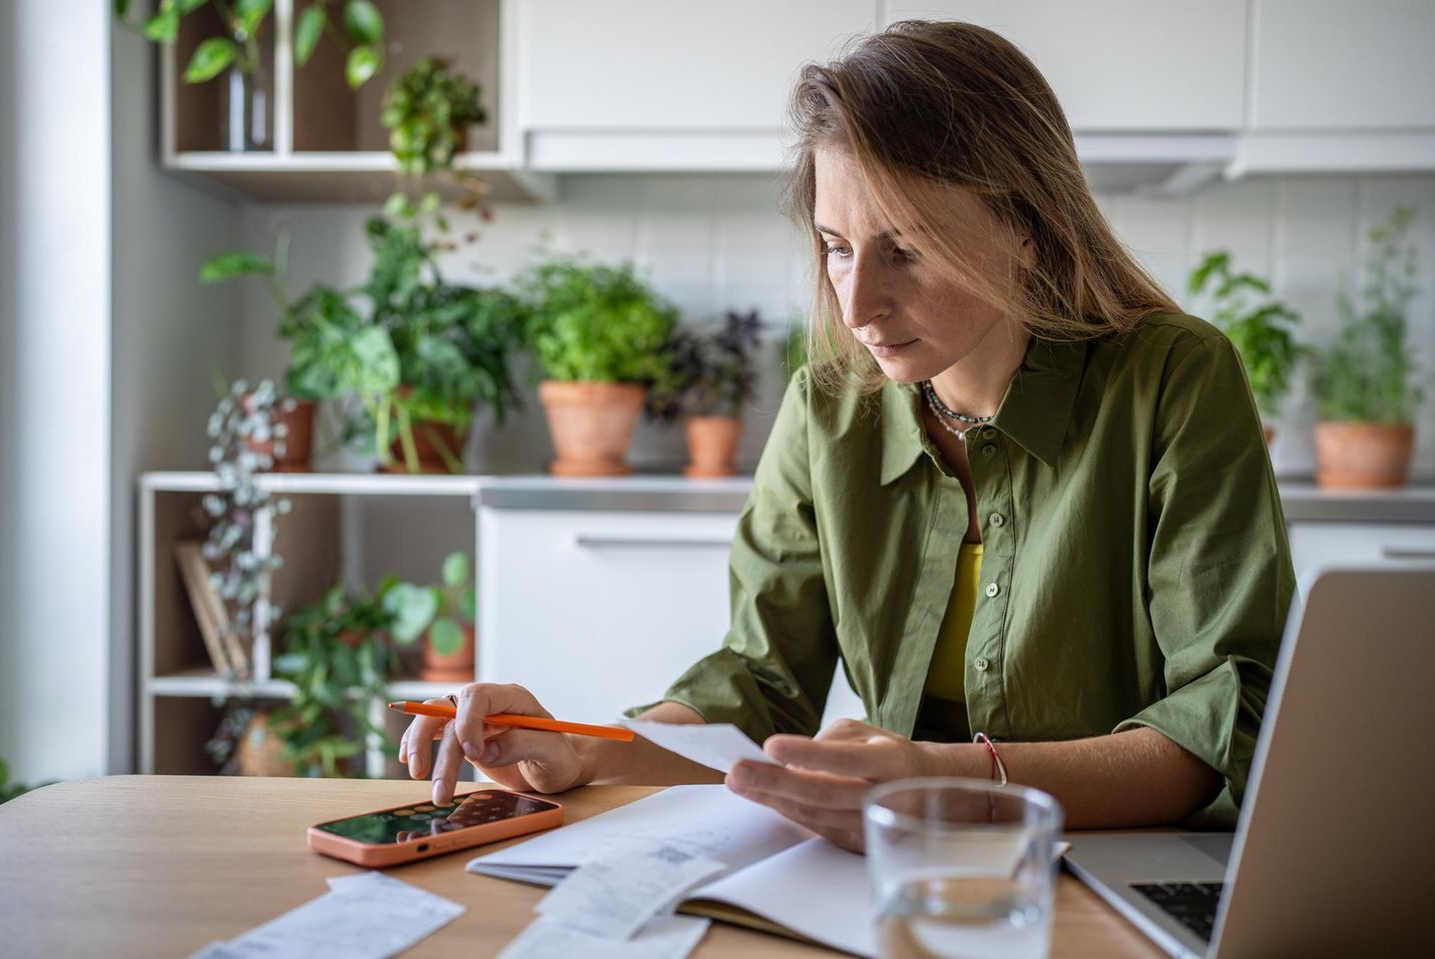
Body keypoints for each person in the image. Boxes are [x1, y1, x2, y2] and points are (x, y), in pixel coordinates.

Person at [400, 19, 1294, 853]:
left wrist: (947, 782)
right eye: (836, 246)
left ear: (1027, 228)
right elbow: (758, 681)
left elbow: (1225, 716)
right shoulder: (827, 407)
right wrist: (582, 748)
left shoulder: (1175, 378)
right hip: (892, 867)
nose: (856, 305)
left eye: (906, 248)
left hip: (1112, 867)